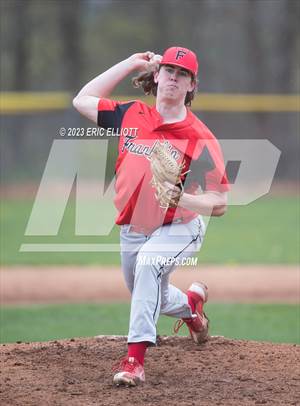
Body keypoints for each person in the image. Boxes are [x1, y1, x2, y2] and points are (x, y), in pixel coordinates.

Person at [73, 46, 229, 387]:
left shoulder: (198, 136)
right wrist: (130, 62)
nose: (174, 77)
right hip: (133, 226)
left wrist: (183, 196)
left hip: (180, 226)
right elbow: (82, 100)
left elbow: (220, 203)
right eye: (169, 70)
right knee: (145, 289)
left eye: (183, 74)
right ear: (156, 76)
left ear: (191, 86)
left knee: (147, 265)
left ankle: (135, 361)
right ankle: (191, 307)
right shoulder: (131, 115)